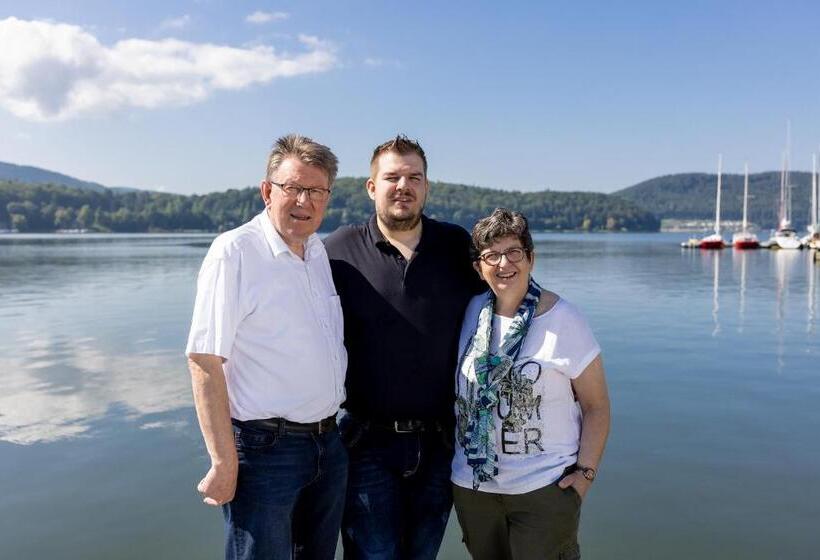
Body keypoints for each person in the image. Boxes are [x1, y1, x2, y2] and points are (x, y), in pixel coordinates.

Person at [186, 134, 348, 560]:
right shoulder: (234, 252)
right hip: (266, 453)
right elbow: (204, 360)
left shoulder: (318, 253)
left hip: (328, 445)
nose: (304, 201)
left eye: (316, 191)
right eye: (292, 187)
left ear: (327, 198)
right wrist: (223, 462)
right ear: (267, 191)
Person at [324, 135, 484, 559]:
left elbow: (506, 296)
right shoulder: (339, 250)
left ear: (427, 187)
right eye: (392, 177)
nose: (403, 186)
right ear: (371, 186)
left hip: (441, 443)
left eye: (414, 177)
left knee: (423, 553)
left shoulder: (455, 247)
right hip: (366, 443)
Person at [452, 208, 610, 560]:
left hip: (543, 489)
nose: (504, 263)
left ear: (531, 259)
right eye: (492, 255)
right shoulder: (471, 312)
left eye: (514, 252)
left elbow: (596, 406)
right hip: (473, 488)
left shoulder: (563, 319)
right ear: (479, 267)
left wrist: (585, 475)